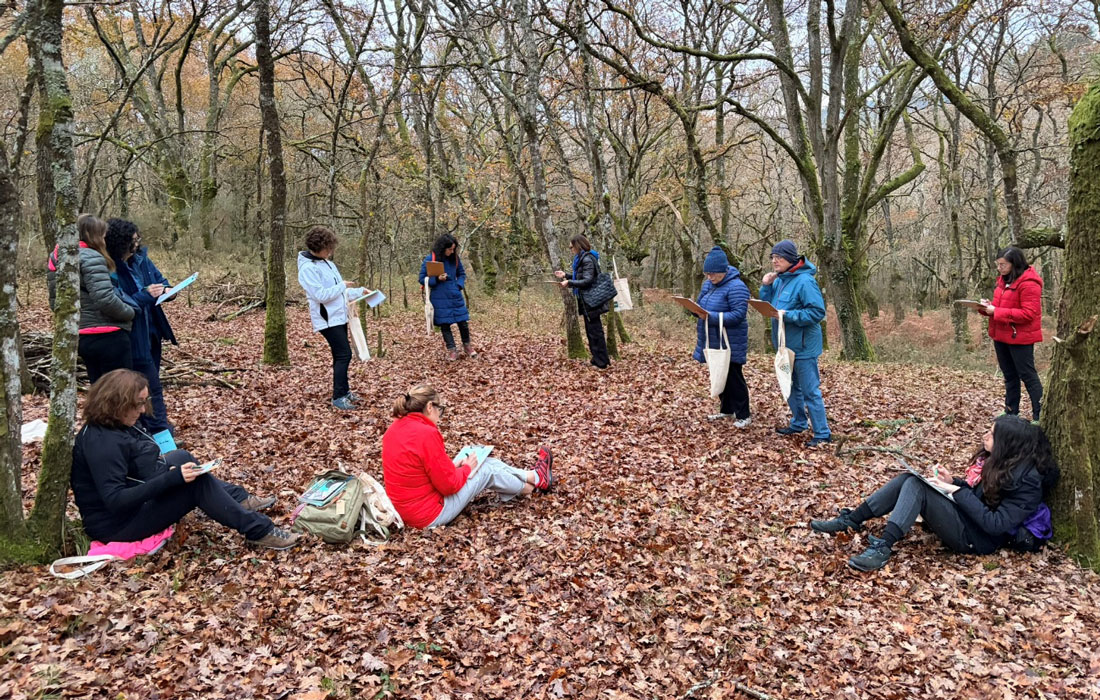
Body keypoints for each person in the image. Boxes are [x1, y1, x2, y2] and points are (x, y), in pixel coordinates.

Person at [70, 369, 298, 549]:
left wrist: (172, 474)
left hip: (135, 502)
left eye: (144, 402)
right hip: (117, 525)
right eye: (138, 403)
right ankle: (258, 530)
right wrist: (173, 479)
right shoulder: (101, 443)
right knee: (194, 484)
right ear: (116, 403)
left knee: (181, 456)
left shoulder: (117, 424)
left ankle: (237, 498)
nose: (142, 410)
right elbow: (115, 500)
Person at [809, 415, 1058, 571]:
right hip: (968, 520)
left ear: (1007, 444)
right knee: (910, 478)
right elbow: (982, 493)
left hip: (977, 539)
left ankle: (883, 548)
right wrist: (954, 481)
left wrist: (956, 490)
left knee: (917, 486)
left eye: (992, 434)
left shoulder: (1027, 482)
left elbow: (995, 524)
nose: (984, 436)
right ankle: (851, 520)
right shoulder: (1000, 462)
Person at [382, 384, 554, 528]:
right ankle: (533, 481)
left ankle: (532, 480)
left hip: (404, 510)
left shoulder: (394, 429)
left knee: (486, 462)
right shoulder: (426, 433)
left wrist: (454, 466)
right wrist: (466, 468)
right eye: (439, 410)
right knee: (485, 469)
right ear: (429, 407)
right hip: (428, 515)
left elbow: (420, 470)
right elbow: (449, 486)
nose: (439, 416)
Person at [47, 214, 136, 384]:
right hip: (109, 336)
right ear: (93, 236)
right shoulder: (92, 257)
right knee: (121, 393)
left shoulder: (56, 258)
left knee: (99, 392)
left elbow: (55, 302)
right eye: (102, 235)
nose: (104, 240)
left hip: (81, 336)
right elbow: (105, 299)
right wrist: (130, 312)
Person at [758, 239, 831, 447]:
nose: (775, 261)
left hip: (804, 347)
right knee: (789, 387)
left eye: (779, 257)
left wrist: (787, 315)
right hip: (785, 346)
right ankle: (799, 422)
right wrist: (766, 287)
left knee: (810, 390)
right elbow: (771, 305)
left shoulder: (805, 281)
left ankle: (822, 433)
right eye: (772, 257)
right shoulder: (779, 279)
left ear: (791, 259)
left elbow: (817, 312)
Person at [105, 219, 172, 435]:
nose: (137, 243)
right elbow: (117, 303)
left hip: (151, 331)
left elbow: (162, 281)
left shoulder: (142, 260)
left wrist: (167, 291)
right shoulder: (111, 268)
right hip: (129, 337)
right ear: (122, 243)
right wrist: (145, 295)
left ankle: (158, 434)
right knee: (143, 388)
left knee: (152, 386)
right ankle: (154, 434)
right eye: (133, 240)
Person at [296, 226, 364, 410]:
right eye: (328, 248)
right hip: (326, 320)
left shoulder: (328, 263)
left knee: (340, 355)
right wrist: (342, 286)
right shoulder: (307, 269)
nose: (331, 251)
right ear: (319, 247)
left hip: (339, 316)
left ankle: (344, 390)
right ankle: (338, 396)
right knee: (344, 354)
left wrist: (358, 292)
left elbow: (339, 293)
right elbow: (321, 295)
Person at [979, 246, 1043, 421]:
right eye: (998, 264)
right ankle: (1010, 411)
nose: (999, 268)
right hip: (1001, 335)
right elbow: (1002, 307)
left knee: (1028, 376)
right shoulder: (1002, 281)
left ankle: (1040, 415)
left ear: (1014, 263)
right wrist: (987, 308)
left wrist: (996, 312)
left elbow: (1029, 313)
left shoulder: (1029, 283)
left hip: (1020, 337)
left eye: (1003, 265)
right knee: (1009, 376)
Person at [693, 246, 751, 425]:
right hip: (713, 338)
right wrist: (696, 311)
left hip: (731, 340)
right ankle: (727, 410)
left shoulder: (737, 287)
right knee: (720, 374)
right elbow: (701, 304)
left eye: (713, 274)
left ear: (724, 271)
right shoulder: (708, 285)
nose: (710, 277)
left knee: (734, 377)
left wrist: (711, 317)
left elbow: (738, 315)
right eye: (707, 274)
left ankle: (743, 414)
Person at [554, 234, 610, 369]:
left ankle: (601, 361)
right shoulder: (582, 259)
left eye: (572, 247)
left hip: (591, 300)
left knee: (595, 331)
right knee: (592, 330)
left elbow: (588, 280)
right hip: (587, 300)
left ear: (578, 246)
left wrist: (570, 282)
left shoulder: (587, 259)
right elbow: (581, 276)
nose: (571, 249)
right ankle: (597, 359)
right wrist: (566, 276)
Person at [419, 233, 475, 361]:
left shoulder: (454, 259)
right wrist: (437, 279)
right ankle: (452, 350)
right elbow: (422, 279)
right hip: (439, 296)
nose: (452, 251)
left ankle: (467, 346)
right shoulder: (430, 259)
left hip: (454, 294)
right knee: (445, 325)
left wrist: (458, 285)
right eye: (449, 249)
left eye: (453, 249)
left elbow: (461, 274)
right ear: (443, 248)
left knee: (463, 322)